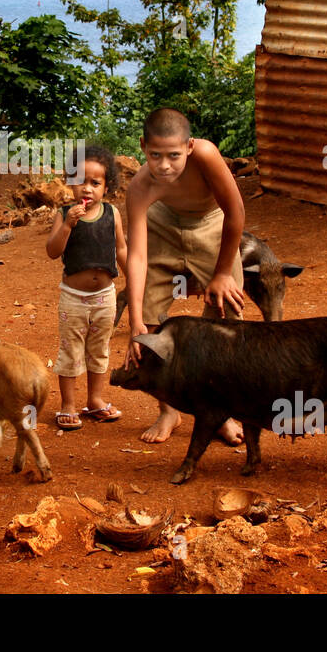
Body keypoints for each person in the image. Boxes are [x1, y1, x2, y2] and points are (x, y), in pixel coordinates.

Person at [124, 108, 247, 443]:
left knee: (229, 313)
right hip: (162, 225)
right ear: (142, 147)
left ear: (190, 146)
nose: (165, 165)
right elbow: (137, 255)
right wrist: (136, 319)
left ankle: (218, 411)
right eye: (155, 155)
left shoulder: (206, 155)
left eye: (174, 155)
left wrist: (222, 273)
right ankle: (168, 411)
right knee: (147, 328)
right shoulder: (139, 188)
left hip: (211, 222)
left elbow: (235, 212)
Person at [45, 145, 128, 430]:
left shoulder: (112, 214)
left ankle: (95, 400)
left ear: (107, 187)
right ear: (70, 183)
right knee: (70, 350)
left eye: (96, 183)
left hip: (105, 297)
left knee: (99, 350)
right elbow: (52, 252)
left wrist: (134, 281)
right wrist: (68, 225)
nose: (87, 189)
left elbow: (121, 249)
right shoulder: (64, 213)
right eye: (81, 181)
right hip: (74, 298)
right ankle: (68, 405)